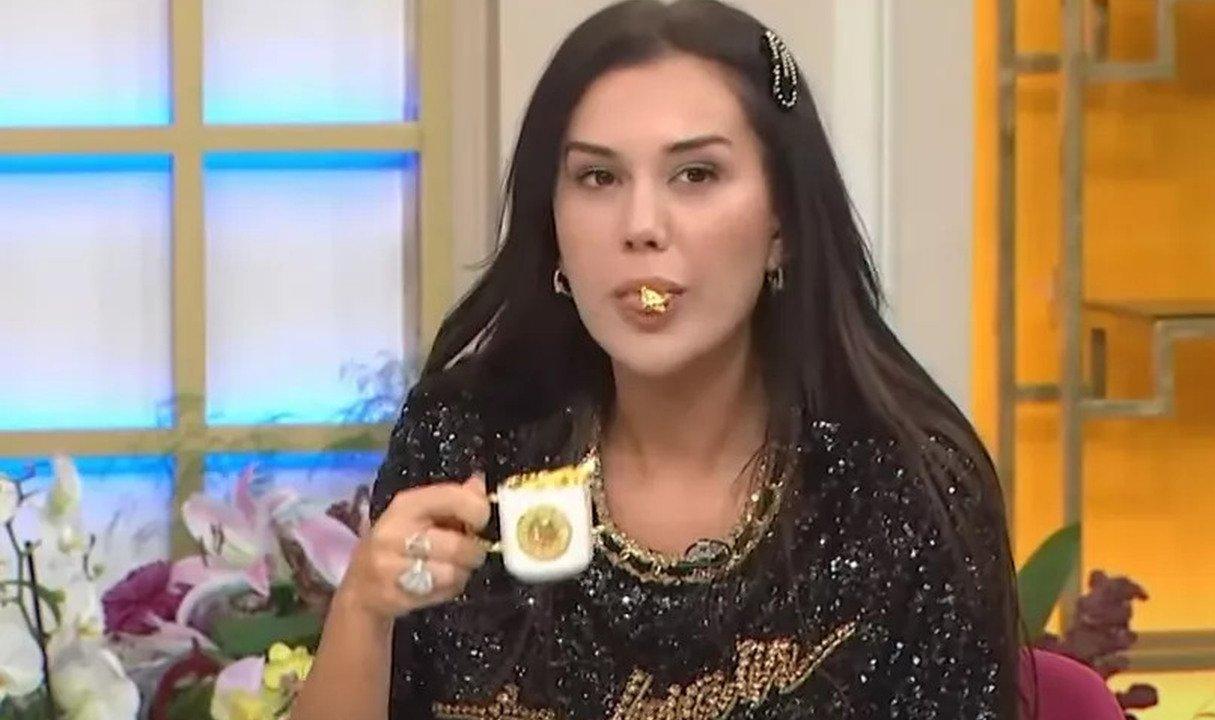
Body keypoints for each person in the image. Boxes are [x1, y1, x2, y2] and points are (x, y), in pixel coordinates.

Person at [293, 1, 1022, 718]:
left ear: (782, 226)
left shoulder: (903, 492)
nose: (641, 227)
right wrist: (364, 610)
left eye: (696, 175)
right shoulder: (464, 440)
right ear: (553, 226)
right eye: (598, 178)